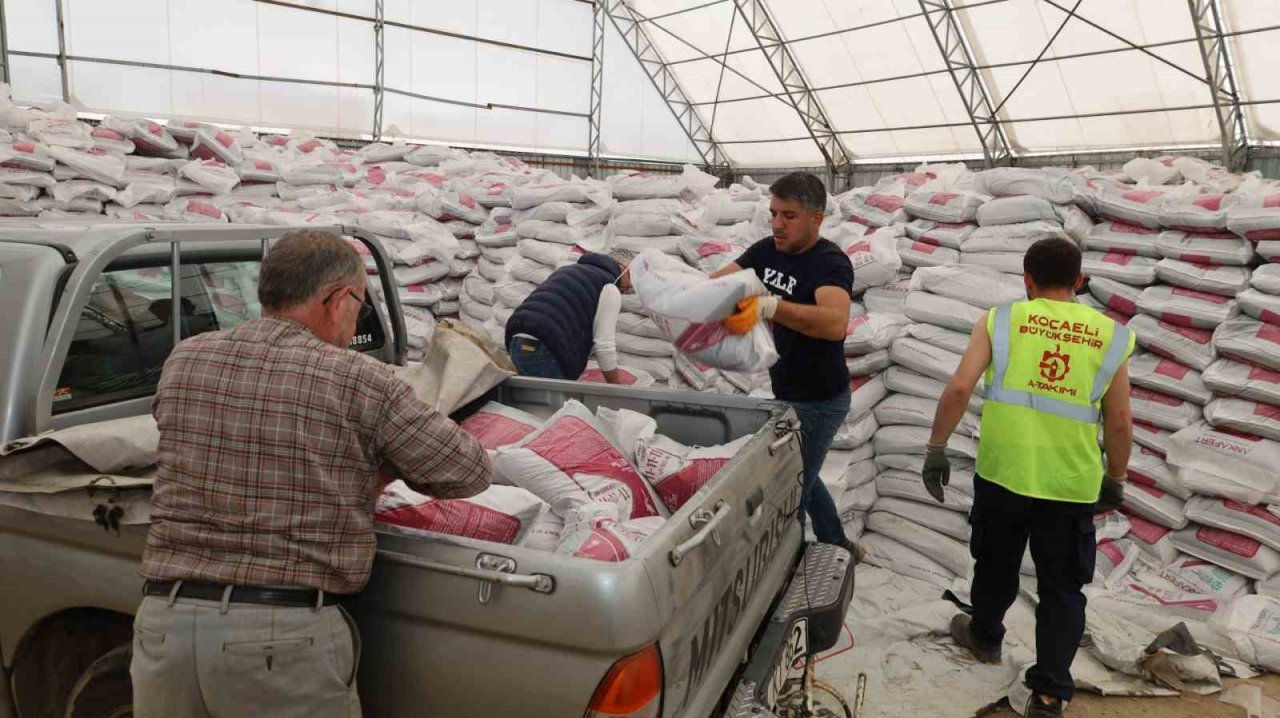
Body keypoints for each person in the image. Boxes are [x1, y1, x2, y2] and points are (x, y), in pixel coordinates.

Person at [131, 230, 492, 718]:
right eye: (360, 307)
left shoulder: (186, 358)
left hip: (163, 629)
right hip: (281, 640)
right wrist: (377, 466)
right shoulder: (358, 378)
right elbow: (468, 470)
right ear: (340, 300)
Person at [924, 237, 1134, 718]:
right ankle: (1049, 694)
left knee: (995, 562)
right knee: (1062, 587)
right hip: (1070, 483)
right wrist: (1116, 477)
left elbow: (958, 389)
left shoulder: (1000, 320)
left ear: (1027, 279)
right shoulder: (1110, 335)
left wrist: (936, 449)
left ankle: (985, 637)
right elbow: (1119, 420)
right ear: (1079, 280)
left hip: (1004, 473)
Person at [712, 172, 858, 556]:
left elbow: (834, 323)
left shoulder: (829, 263)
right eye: (774, 213)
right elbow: (717, 283)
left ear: (817, 218)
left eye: (789, 216)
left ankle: (787, 565)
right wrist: (674, 288)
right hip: (786, 391)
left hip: (821, 400)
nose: (777, 223)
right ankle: (837, 540)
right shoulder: (765, 252)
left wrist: (770, 306)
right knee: (803, 472)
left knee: (789, 490)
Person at [504, 248, 636, 383]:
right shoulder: (609, 287)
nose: (632, 284)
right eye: (631, 275)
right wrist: (615, 386)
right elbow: (604, 346)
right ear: (621, 267)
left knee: (527, 396)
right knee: (550, 397)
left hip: (517, 341)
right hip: (545, 348)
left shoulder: (569, 270)